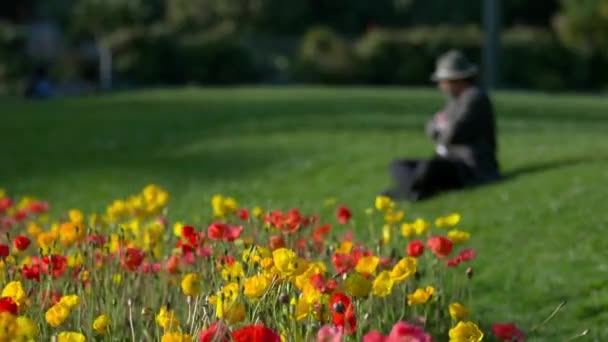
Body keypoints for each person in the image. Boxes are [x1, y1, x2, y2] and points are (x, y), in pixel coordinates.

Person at [383, 50, 500, 201]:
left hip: (468, 167)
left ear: (457, 79)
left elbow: (452, 134)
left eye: (443, 81)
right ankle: (415, 191)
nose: (440, 86)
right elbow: (431, 126)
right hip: (447, 160)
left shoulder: (475, 99)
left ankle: (406, 192)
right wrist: (442, 126)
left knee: (428, 168)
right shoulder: (455, 101)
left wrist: (442, 127)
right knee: (397, 165)